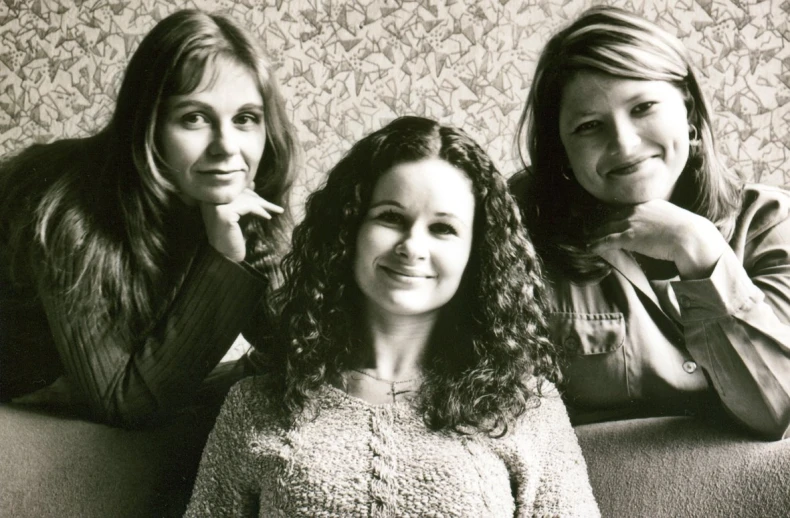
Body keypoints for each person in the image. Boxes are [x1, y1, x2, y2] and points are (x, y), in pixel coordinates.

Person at [184, 116, 600, 517]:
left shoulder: (525, 406)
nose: (412, 246)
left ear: (477, 256)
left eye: (443, 229)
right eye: (391, 218)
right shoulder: (256, 405)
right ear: (349, 233)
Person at [0, 9, 297, 427]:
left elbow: (298, 352)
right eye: (194, 117)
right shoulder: (66, 210)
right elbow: (124, 403)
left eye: (246, 119)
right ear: (149, 126)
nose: (227, 146)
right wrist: (226, 258)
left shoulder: (234, 201)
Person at [510, 5, 790, 440]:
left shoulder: (772, 224)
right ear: (561, 151)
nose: (623, 143)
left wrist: (698, 249)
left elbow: (774, 411)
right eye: (588, 126)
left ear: (689, 112)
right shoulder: (522, 237)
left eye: (643, 107)